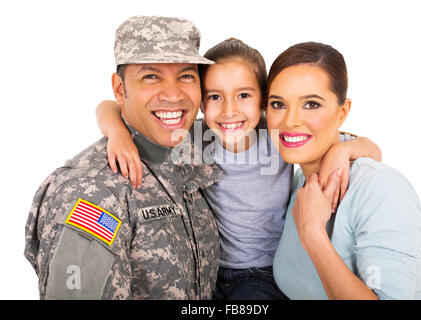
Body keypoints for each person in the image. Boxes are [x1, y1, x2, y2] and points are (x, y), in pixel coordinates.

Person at [96, 39, 382, 299]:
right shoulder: (194, 137)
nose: (229, 110)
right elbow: (108, 106)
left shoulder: (278, 135)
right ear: (200, 104)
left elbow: (372, 149)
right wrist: (117, 134)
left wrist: (344, 151)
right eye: (215, 97)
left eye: (244, 95)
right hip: (210, 272)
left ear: (264, 102)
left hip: (265, 274)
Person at [24, 15, 223, 300]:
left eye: (186, 76)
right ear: (120, 89)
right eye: (151, 76)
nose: (173, 94)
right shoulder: (93, 193)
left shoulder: (189, 154)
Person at [269, 42, 421, 299]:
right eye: (277, 104)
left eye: (311, 104)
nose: (290, 121)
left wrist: (313, 235)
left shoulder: (380, 189)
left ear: (342, 112)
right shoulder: (298, 181)